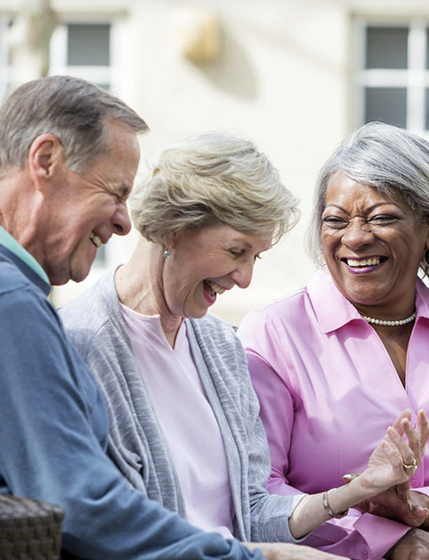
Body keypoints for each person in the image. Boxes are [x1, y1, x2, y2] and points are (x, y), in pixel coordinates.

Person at [60, 132, 429, 560]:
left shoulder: (219, 345)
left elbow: (253, 511)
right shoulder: (80, 344)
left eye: (256, 257)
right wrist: (266, 556)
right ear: (173, 228)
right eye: (237, 250)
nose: (244, 279)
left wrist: (355, 491)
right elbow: (114, 531)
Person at [239, 122, 429, 559]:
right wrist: (389, 539)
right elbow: (261, 496)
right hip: (331, 552)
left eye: (381, 217)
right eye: (336, 220)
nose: (354, 238)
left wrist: (427, 511)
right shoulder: (275, 333)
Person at [0, 75, 268, 559]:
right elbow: (81, 505)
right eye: (115, 191)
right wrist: (254, 557)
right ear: (46, 162)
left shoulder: (20, 299)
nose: (127, 220)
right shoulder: (14, 304)